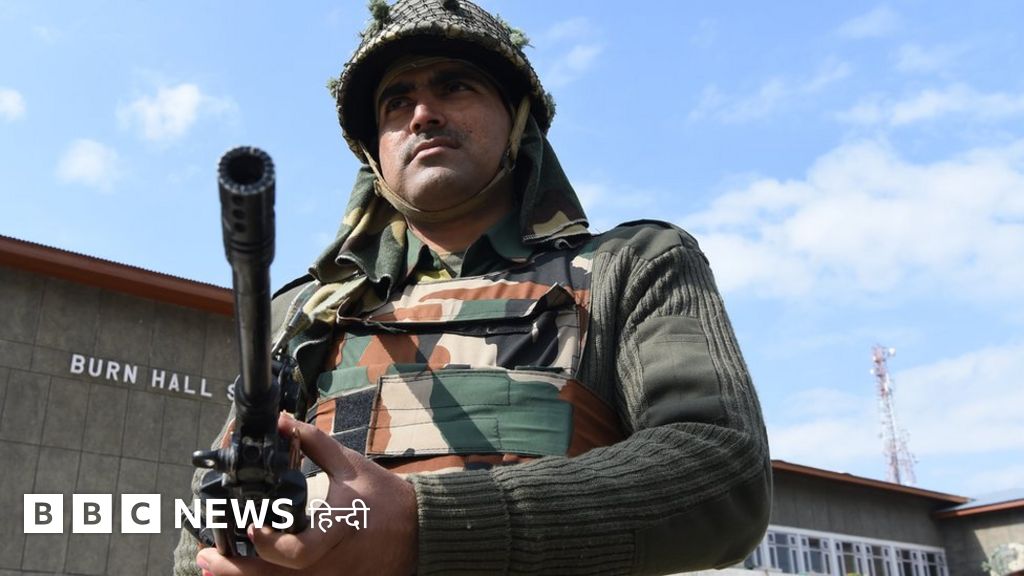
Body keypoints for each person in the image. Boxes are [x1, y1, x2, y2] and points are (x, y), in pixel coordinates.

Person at [174, 0, 771, 574]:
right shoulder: (307, 313)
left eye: (455, 86)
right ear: (374, 151)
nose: (422, 115)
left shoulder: (632, 264)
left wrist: (422, 527)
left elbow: (720, 471)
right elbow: (198, 531)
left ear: (517, 119)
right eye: (396, 102)